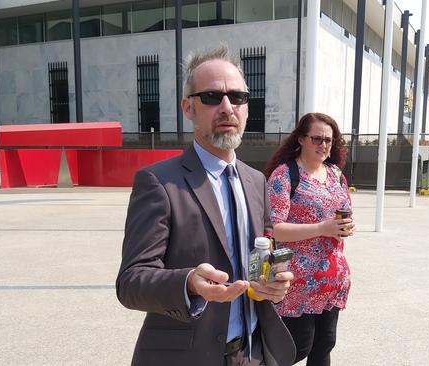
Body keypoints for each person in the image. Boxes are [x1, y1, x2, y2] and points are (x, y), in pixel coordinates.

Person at [116, 45, 296, 366]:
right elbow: (131, 281)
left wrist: (273, 281)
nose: (227, 107)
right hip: (188, 355)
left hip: (252, 352)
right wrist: (187, 283)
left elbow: (264, 252)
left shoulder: (257, 182)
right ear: (188, 108)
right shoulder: (158, 182)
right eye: (212, 97)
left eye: (237, 97)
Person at [264, 113, 354, 366]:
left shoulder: (335, 175)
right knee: (298, 346)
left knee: (324, 345)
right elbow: (275, 228)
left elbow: (343, 213)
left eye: (329, 140)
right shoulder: (285, 176)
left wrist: (347, 226)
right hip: (297, 282)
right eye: (317, 138)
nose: (323, 145)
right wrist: (321, 228)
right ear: (302, 139)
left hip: (332, 278)